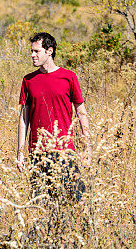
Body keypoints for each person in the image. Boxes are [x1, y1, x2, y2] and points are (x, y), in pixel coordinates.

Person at [16, 32, 91, 202]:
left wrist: (88, 147)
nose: (32, 55)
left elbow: (81, 112)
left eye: (36, 51)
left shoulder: (68, 77)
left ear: (49, 51)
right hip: (37, 152)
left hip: (64, 150)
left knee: (77, 200)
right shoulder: (28, 80)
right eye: (32, 51)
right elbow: (23, 119)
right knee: (41, 205)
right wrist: (20, 152)